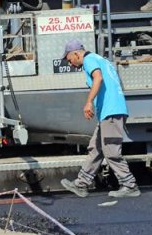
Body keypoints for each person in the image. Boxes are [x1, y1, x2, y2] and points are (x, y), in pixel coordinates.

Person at [60, 40, 140, 199]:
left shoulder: (89, 60)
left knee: (111, 151)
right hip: (110, 112)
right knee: (96, 148)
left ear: (77, 53)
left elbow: (98, 78)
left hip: (111, 112)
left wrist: (89, 102)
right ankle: (81, 184)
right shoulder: (100, 59)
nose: (71, 64)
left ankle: (130, 185)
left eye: (70, 59)